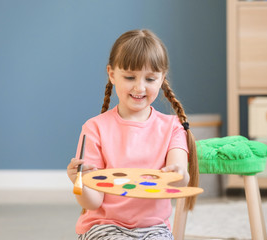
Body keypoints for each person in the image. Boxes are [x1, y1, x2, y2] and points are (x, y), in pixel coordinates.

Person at [67, 29, 199, 240]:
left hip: (154, 228)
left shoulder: (172, 127)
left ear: (162, 77)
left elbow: (180, 180)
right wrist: (79, 183)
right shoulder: (94, 128)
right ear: (111, 74)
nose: (140, 87)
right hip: (105, 225)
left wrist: (179, 174)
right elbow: (93, 202)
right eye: (130, 77)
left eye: (150, 79)